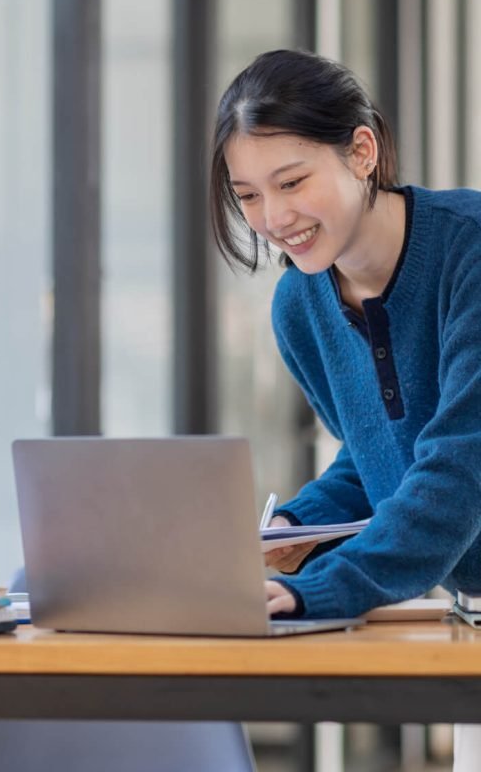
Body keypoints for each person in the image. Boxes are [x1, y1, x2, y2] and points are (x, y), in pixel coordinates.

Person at [210, 49, 481, 771]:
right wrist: (291, 533)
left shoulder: (472, 252)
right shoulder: (300, 306)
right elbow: (377, 457)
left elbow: (460, 470)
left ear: (362, 152)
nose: (275, 218)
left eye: (292, 181)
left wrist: (321, 592)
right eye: (248, 196)